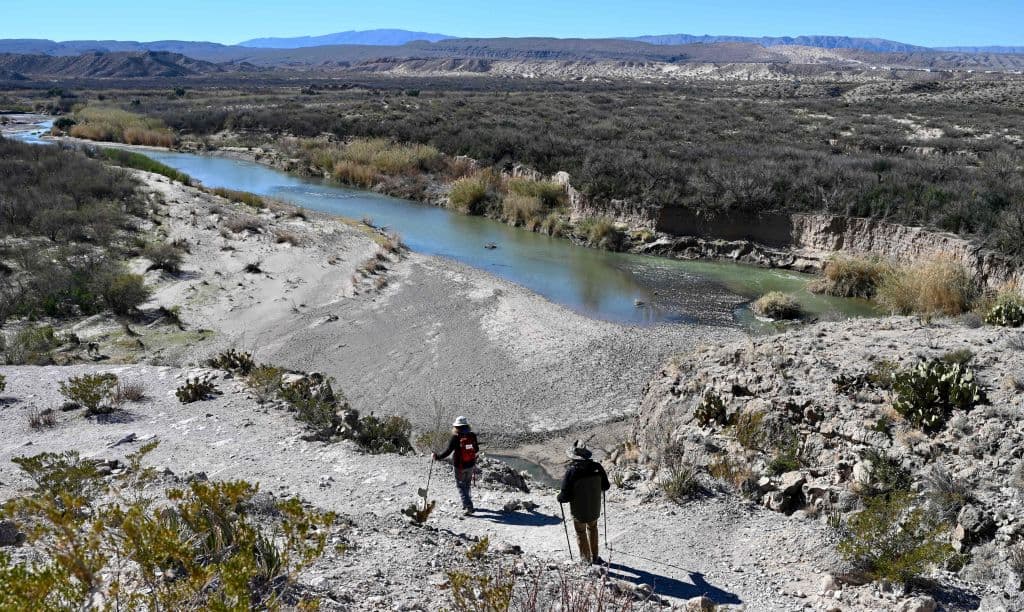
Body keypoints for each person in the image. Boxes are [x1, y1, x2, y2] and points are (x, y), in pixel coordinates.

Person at [557, 441, 610, 565]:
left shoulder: (572, 472)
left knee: (581, 532)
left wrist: (559, 497)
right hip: (594, 508)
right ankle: (595, 557)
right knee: (593, 528)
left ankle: (586, 560)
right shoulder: (597, 467)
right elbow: (606, 486)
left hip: (579, 511)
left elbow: (565, 497)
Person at [433, 416, 479, 515]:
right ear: (467, 425)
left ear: (456, 427)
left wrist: (437, 457)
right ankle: (466, 503)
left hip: (459, 465)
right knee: (467, 484)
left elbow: (448, 451)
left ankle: (468, 506)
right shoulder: (472, 435)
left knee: (460, 486)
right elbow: (476, 449)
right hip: (470, 464)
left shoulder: (456, 437)